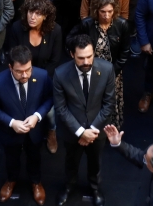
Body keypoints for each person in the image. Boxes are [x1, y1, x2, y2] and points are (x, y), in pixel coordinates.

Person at [53, 33, 116, 206]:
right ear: (72, 54)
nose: (87, 61)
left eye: (90, 56)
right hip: (72, 130)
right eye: (81, 58)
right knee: (70, 161)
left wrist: (91, 131)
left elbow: (109, 104)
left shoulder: (107, 69)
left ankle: (95, 187)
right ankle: (69, 186)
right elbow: (61, 108)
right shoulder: (60, 74)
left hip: (97, 131)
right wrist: (81, 132)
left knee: (95, 161)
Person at [0, 45, 53, 205]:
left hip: (35, 130)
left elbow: (50, 99)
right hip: (9, 132)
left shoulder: (43, 76)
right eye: (19, 71)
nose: (25, 75)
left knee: (35, 157)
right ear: (10, 67)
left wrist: (37, 116)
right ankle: (11, 181)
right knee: (11, 159)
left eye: (28, 70)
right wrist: (11, 122)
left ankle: (36, 182)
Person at [73, 0, 130, 127]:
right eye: (103, 11)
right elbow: (71, 40)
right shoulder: (87, 24)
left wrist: (112, 73)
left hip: (113, 70)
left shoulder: (121, 24)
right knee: (91, 101)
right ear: (96, 10)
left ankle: (112, 129)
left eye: (110, 11)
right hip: (89, 70)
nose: (106, 15)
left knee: (111, 101)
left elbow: (125, 52)